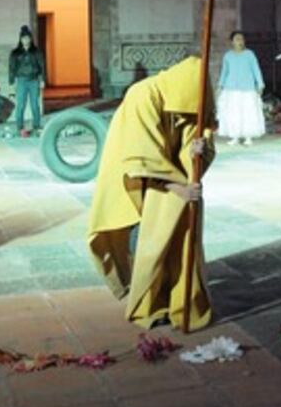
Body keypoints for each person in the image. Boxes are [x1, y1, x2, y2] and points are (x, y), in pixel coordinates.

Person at [87, 56, 216, 331]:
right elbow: (141, 158)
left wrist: (195, 154)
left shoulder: (193, 99)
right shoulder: (142, 96)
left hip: (170, 174)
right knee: (147, 238)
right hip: (134, 178)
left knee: (178, 231)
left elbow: (197, 136)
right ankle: (148, 300)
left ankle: (176, 297)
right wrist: (180, 188)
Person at [216, 31, 266, 146]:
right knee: (233, 113)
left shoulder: (250, 54)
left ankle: (248, 137)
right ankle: (235, 137)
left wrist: (260, 84)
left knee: (248, 112)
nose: (240, 41)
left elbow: (256, 70)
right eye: (237, 39)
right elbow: (224, 72)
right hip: (231, 89)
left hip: (248, 89)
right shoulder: (228, 56)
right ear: (232, 42)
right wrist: (220, 85)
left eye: (242, 39)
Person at [8, 26, 45, 133]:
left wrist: (42, 80)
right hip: (21, 81)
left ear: (31, 39)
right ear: (20, 39)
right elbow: (11, 68)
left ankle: (37, 125)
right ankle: (20, 127)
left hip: (34, 80)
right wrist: (11, 83)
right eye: (24, 38)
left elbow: (42, 66)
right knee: (20, 105)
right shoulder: (15, 53)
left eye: (28, 38)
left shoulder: (36, 51)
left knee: (35, 104)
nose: (26, 40)